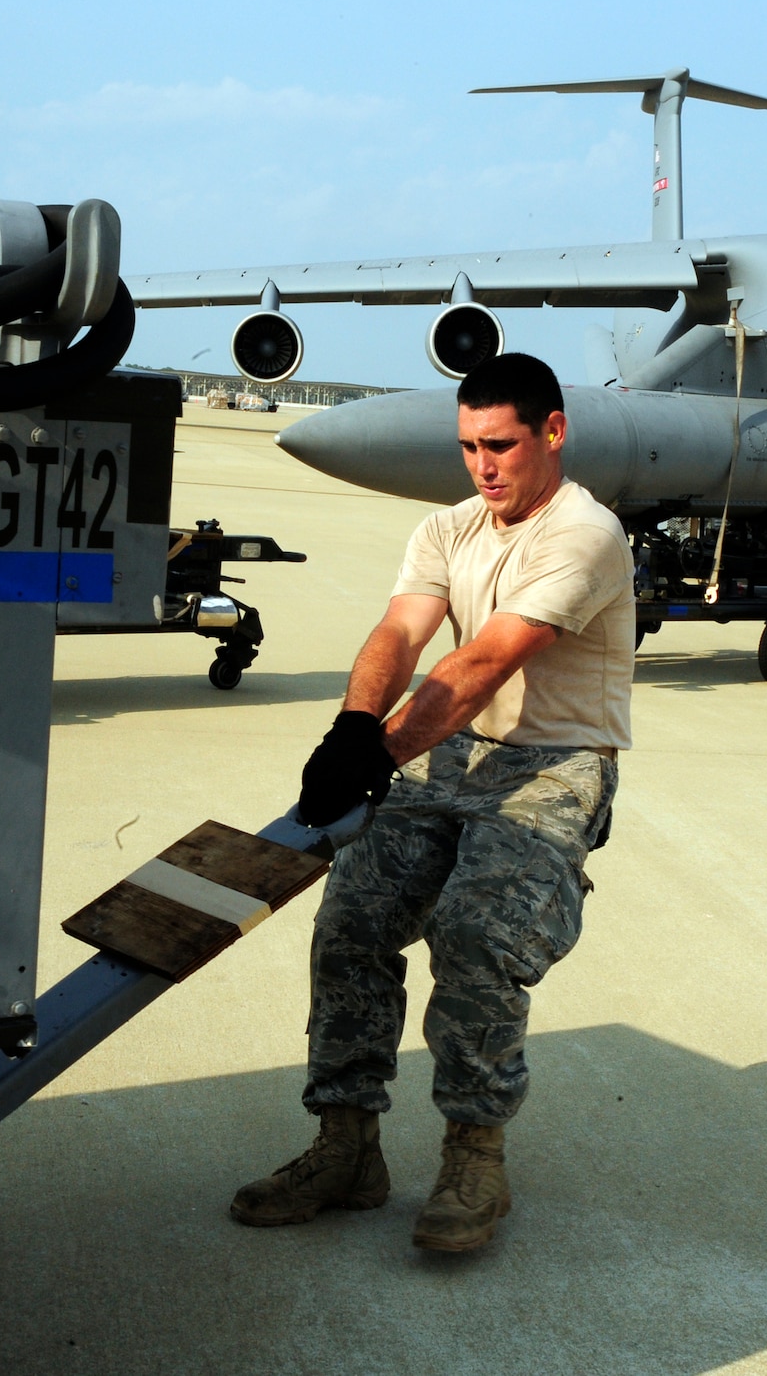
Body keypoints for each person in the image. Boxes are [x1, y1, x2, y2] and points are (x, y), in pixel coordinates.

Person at [230, 352, 633, 1253]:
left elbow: (487, 658)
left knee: (478, 935)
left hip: (554, 763)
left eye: (501, 445)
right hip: (450, 752)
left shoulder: (586, 533)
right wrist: (351, 726)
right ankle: (345, 1149)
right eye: (468, 447)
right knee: (351, 926)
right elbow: (401, 631)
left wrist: (377, 756)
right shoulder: (449, 527)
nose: (483, 467)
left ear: (552, 433)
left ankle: (475, 1158)